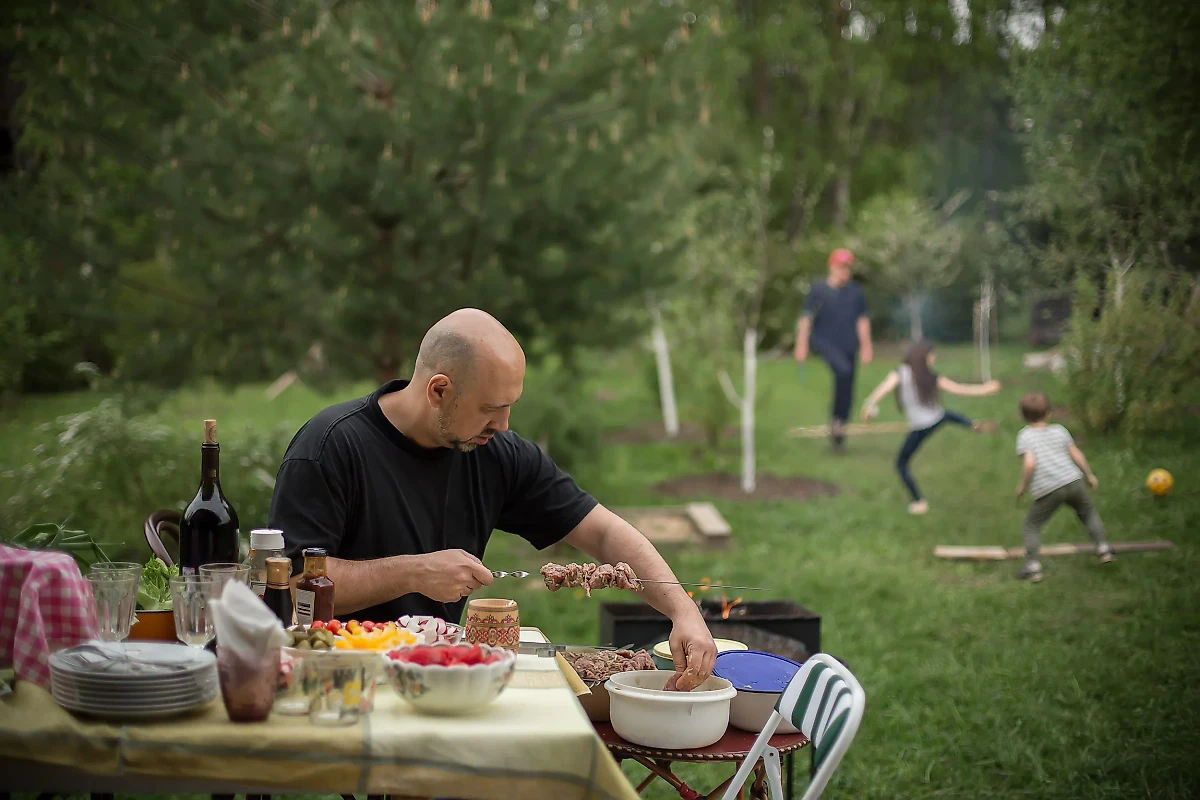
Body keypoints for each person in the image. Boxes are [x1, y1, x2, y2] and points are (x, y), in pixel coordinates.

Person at [268, 308, 717, 690]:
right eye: (490, 408)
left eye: (509, 406)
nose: (503, 425)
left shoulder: (495, 453)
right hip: (340, 681)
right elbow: (291, 584)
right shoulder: (329, 447)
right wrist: (415, 572)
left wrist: (683, 610)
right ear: (439, 391)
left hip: (442, 679)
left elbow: (602, 532)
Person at [860, 340, 1000, 514]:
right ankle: (973, 424)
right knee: (947, 415)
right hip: (936, 419)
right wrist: (985, 389)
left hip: (921, 426)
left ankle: (919, 502)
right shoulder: (928, 376)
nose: (933, 359)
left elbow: (884, 388)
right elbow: (960, 389)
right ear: (923, 357)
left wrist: (869, 404)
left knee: (901, 463)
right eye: (931, 356)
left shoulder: (902, 372)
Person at [1013, 391, 1114, 582]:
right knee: (1087, 512)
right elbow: (1076, 454)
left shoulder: (1025, 436)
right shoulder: (1060, 430)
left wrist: (1022, 486)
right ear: (1048, 413)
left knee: (1032, 524)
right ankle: (1103, 549)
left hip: (1049, 488)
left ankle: (1033, 567)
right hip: (1073, 481)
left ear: (1023, 415)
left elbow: (1029, 463)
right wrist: (1089, 475)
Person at [794, 247, 873, 452]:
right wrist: (801, 344)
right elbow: (806, 318)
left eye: (848, 267)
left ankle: (839, 428)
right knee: (843, 371)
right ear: (832, 266)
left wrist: (866, 346)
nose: (844, 271)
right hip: (824, 342)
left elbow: (862, 320)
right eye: (841, 266)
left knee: (847, 387)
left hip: (849, 346)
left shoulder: (855, 292)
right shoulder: (819, 290)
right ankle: (836, 424)